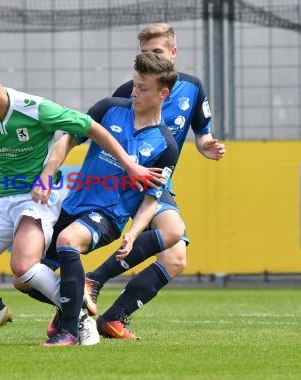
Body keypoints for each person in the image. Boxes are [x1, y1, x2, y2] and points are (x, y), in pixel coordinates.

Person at [0, 56, 163, 345]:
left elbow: (92, 128)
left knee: (23, 267)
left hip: (38, 199)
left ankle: (76, 317)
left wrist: (131, 166)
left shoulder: (35, 109)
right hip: (4, 198)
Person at [83, 23, 226, 339]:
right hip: (129, 181)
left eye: (157, 52)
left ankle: (112, 317)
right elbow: (103, 134)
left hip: (158, 179)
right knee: (172, 235)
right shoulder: (128, 91)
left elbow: (202, 136)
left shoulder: (193, 88)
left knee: (175, 259)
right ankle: (89, 285)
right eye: (145, 53)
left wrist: (208, 147)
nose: (150, 58)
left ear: (173, 53)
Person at [29, 51, 181, 346]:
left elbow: (151, 199)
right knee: (24, 277)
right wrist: (48, 172)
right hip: (71, 206)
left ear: (163, 93)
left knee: (67, 241)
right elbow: (67, 140)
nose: (135, 92)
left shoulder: (166, 145)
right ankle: (76, 308)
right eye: (135, 84)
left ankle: (69, 332)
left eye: (143, 88)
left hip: (108, 216)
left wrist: (134, 234)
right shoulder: (109, 108)